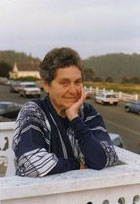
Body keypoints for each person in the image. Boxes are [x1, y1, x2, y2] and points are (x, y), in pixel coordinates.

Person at [12, 47, 118, 177]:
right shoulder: (34, 112)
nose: (73, 91)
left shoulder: (88, 112)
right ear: (46, 85)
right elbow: (30, 163)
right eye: (64, 83)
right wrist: (76, 165)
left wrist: (74, 118)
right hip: (44, 194)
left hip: (86, 194)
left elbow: (103, 158)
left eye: (77, 82)